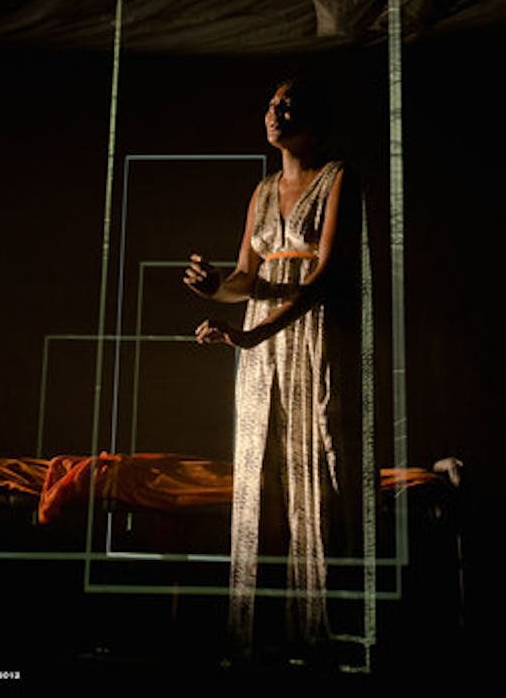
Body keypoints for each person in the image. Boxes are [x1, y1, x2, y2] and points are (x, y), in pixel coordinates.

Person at [183, 76, 363, 666]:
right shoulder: (261, 192)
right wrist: (217, 290)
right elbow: (245, 278)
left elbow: (324, 278)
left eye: (287, 104)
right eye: (269, 103)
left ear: (313, 116)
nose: (274, 112)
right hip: (259, 342)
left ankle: (322, 634)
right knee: (258, 474)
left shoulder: (338, 179)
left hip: (312, 334)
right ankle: (252, 634)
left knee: (315, 468)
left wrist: (257, 331)